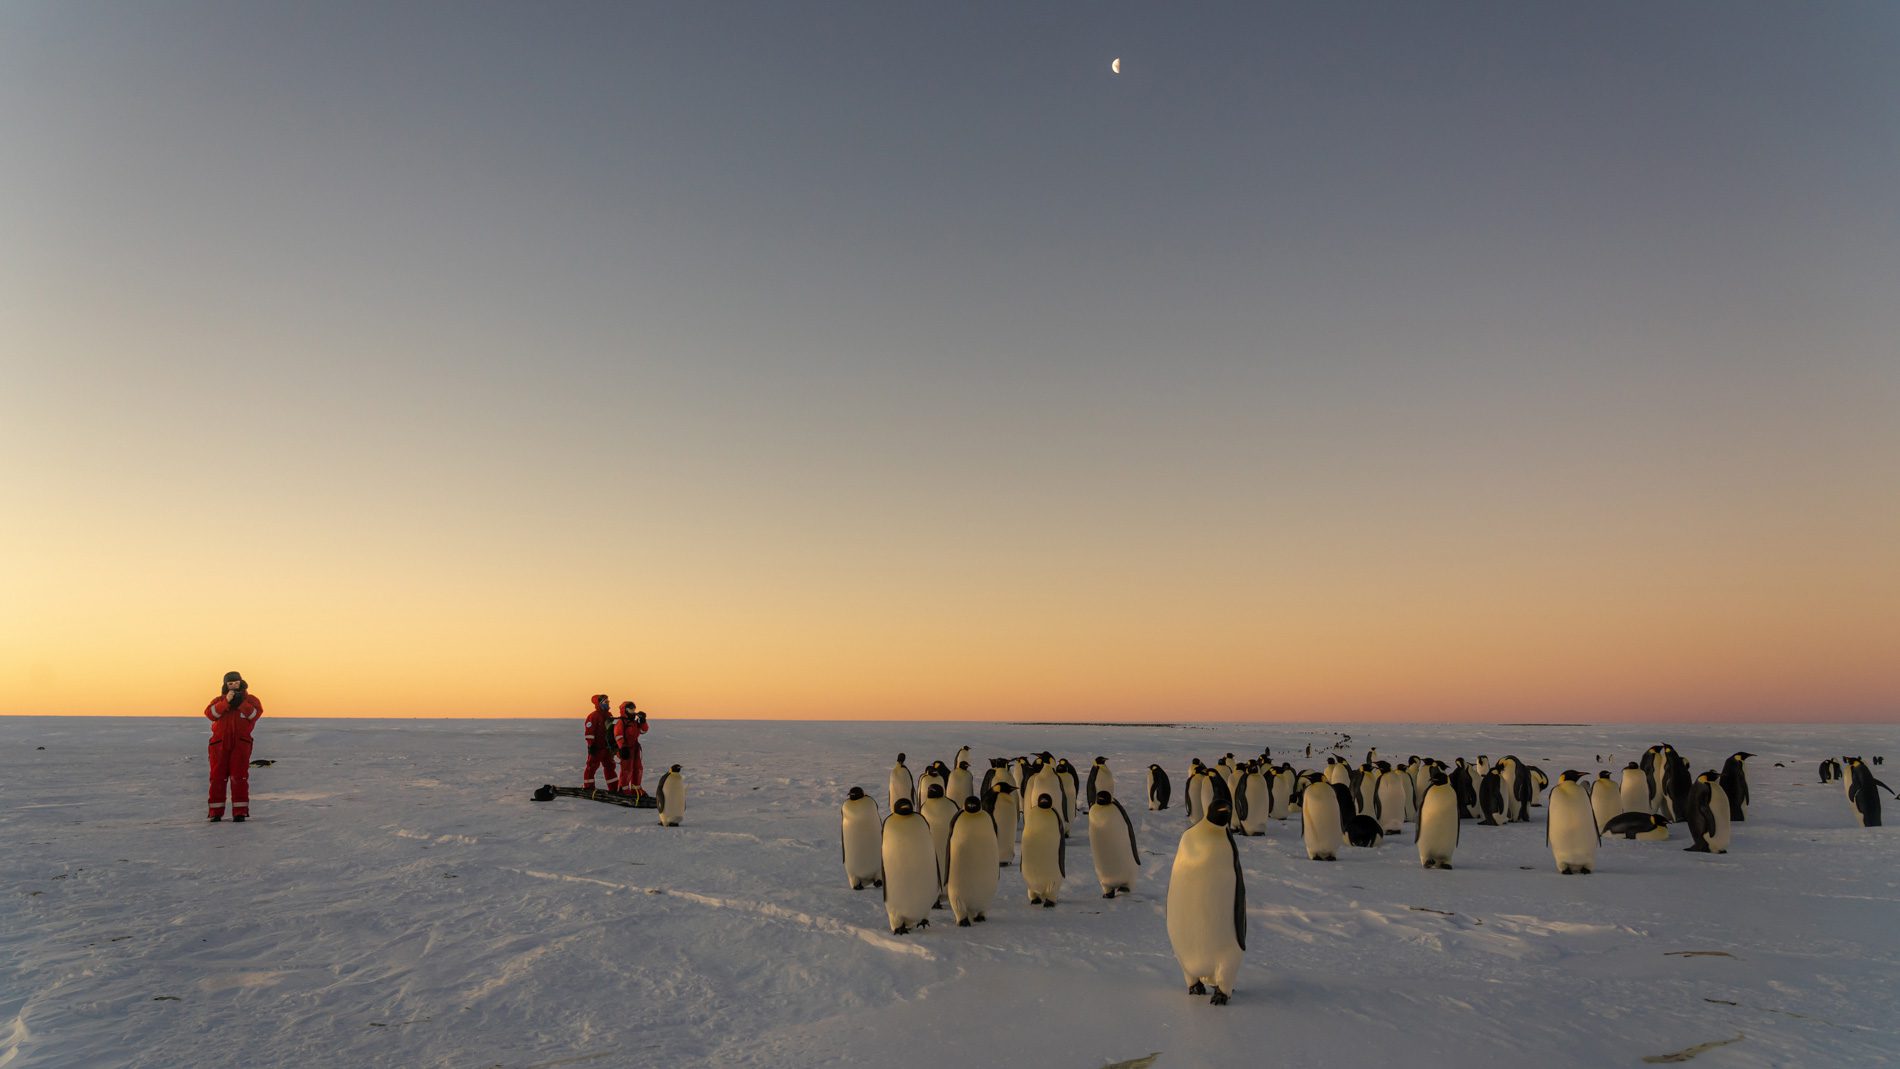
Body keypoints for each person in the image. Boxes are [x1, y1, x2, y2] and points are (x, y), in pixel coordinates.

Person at [204, 670, 262, 821]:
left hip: (241, 744)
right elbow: (210, 714)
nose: (234, 686)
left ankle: (240, 812)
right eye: (230, 684)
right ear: (225, 685)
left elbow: (254, 715)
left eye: (236, 683)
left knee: (239, 777)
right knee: (217, 778)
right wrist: (226, 703)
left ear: (241, 683)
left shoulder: (251, 700)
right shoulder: (218, 700)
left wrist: (241, 703)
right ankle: (215, 813)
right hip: (219, 745)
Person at [614, 701, 650, 795]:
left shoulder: (634, 722)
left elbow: (643, 730)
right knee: (627, 769)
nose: (633, 711)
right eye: (630, 709)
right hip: (626, 749)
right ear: (625, 710)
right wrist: (622, 747)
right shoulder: (621, 722)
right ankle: (623, 789)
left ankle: (636, 789)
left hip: (635, 749)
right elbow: (618, 735)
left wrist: (643, 721)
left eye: (634, 709)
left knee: (638, 768)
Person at [583, 694, 617, 789]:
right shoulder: (593, 716)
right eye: (606, 702)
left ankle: (614, 787)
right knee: (591, 767)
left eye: (608, 701)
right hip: (597, 748)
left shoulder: (609, 715)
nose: (608, 703)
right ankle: (588, 787)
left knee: (610, 767)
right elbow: (589, 732)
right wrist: (591, 745)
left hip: (607, 748)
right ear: (600, 703)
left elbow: (612, 731)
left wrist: (614, 744)